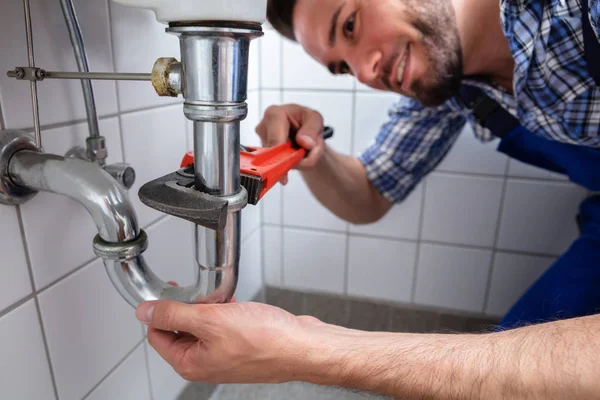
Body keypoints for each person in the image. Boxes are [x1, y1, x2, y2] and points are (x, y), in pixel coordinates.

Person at [136, 0, 600, 397]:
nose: (363, 72)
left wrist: (305, 348)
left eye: (351, 25)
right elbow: (371, 193)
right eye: (341, 66)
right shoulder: (452, 86)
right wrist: (309, 152)